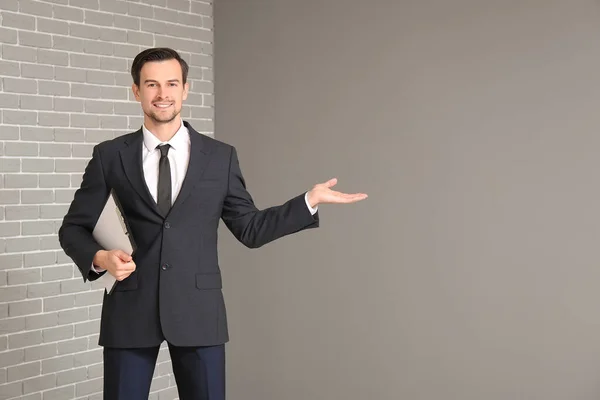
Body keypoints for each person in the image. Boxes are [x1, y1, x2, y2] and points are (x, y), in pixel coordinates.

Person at [58, 47, 367, 400]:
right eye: (152, 85)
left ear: (186, 89)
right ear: (136, 91)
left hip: (198, 313)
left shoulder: (220, 157)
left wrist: (308, 202)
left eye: (172, 84)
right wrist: (101, 258)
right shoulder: (109, 155)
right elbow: (73, 228)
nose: (163, 94)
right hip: (129, 311)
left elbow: (250, 228)